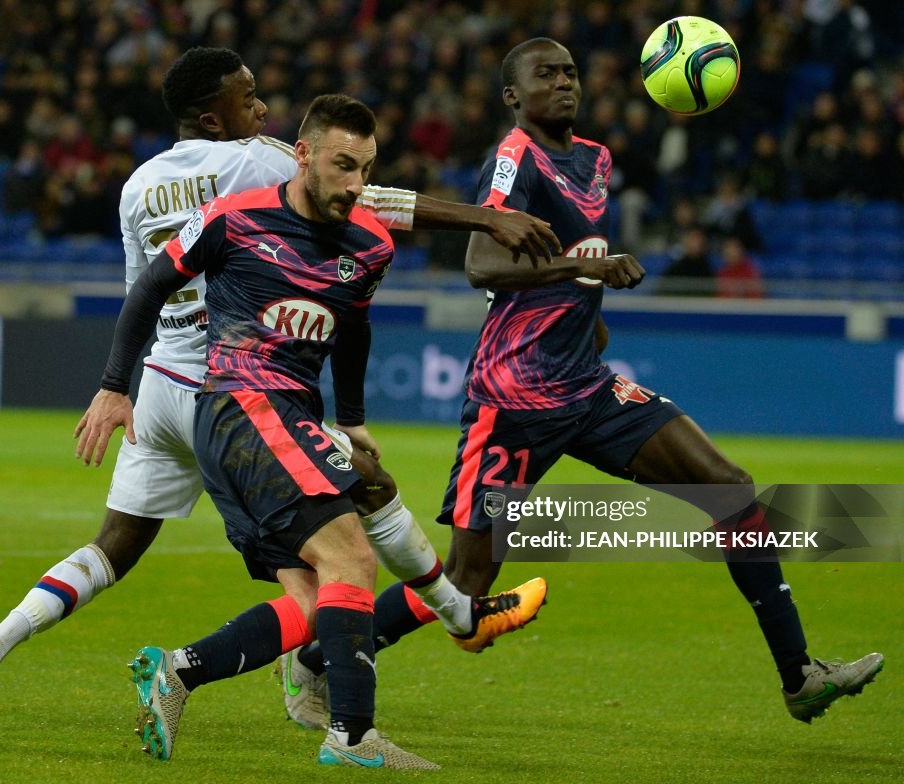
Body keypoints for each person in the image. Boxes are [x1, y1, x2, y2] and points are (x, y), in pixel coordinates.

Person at [0, 47, 554, 742]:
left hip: (161, 383)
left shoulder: (139, 183)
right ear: (213, 117)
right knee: (341, 554)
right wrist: (483, 218)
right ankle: (379, 649)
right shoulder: (258, 162)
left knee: (114, 548)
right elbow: (370, 203)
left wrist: (115, 386)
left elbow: (146, 283)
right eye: (248, 97)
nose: (261, 108)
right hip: (238, 392)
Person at [290, 38, 885, 729]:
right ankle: (315, 660)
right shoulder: (515, 157)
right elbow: (483, 263)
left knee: (732, 490)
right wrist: (586, 272)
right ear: (513, 96)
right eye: (546, 74)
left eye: (570, 71)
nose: (565, 81)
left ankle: (800, 675)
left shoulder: (597, 158)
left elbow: (569, 263)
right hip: (511, 401)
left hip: (588, 385)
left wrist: (586, 314)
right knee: (465, 579)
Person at [89, 93, 446, 769]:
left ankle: (178, 671)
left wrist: (353, 418)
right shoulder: (232, 218)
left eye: (366, 170)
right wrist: (114, 385)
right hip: (241, 408)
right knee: (354, 559)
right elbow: (149, 288)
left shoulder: (371, 243)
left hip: (285, 422)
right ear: (304, 154)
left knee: (315, 603)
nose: (355, 184)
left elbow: (354, 329)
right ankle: (352, 736)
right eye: (343, 165)